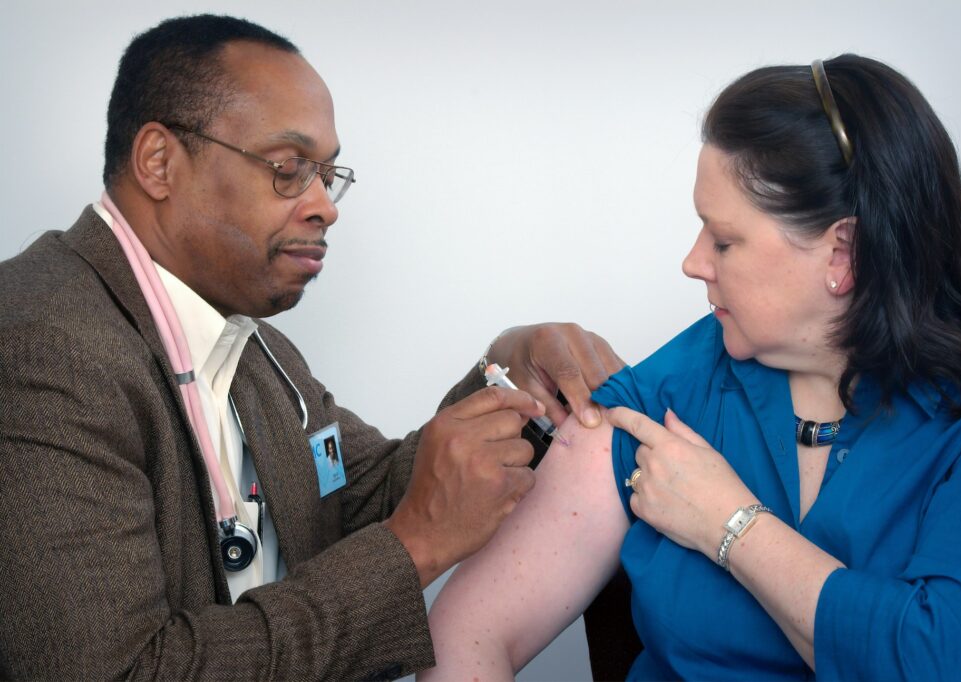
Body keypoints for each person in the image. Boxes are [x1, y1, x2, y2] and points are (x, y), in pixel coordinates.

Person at [0, 14, 625, 681]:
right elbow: (115, 673)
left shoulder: (255, 348)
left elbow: (363, 495)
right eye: (290, 168)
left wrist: (504, 382)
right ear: (159, 162)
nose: (326, 205)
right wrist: (414, 548)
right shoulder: (43, 345)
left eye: (328, 174)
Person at [421, 54, 961, 680]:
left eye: (724, 240)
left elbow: (951, 662)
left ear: (843, 252)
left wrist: (731, 525)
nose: (693, 262)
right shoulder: (676, 387)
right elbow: (468, 630)